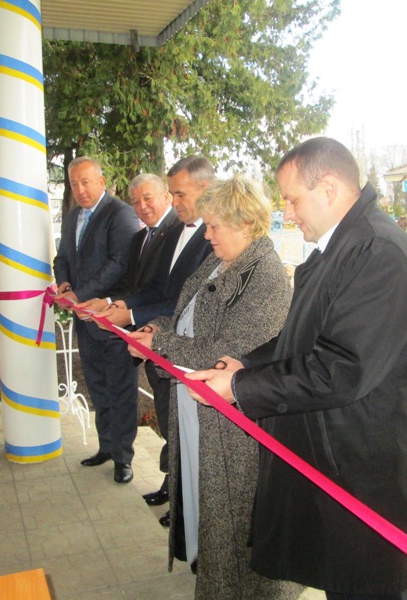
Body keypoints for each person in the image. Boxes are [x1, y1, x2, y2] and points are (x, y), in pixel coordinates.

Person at [186, 137, 407, 599]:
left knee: (369, 589)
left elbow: (340, 368)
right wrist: (247, 363)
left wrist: (241, 387)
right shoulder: (344, 246)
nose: (287, 213)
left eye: (292, 199)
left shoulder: (380, 253)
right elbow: (302, 338)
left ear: (328, 188)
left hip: (363, 475)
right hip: (337, 462)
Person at [128, 176, 297, 599]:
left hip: (232, 431)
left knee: (234, 527)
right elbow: (184, 317)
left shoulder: (266, 278)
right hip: (199, 413)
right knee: (210, 513)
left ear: (245, 223)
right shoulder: (220, 261)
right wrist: (156, 329)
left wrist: (158, 346)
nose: (207, 235)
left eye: (214, 226)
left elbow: (224, 353)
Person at [88, 158, 215, 513]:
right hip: (159, 346)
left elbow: (188, 300)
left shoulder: (216, 237)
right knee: (169, 422)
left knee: (191, 433)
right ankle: (174, 489)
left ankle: (186, 506)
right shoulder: (172, 232)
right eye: (172, 193)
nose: (174, 202)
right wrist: (120, 305)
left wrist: (130, 315)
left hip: (191, 353)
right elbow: (157, 288)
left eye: (179, 193)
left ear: (206, 189)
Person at [53, 157, 140, 483]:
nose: (80, 189)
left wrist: (81, 293)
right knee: (98, 387)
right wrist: (64, 284)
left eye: (86, 182)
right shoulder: (71, 217)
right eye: (74, 184)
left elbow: (119, 264)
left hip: (113, 318)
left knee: (121, 390)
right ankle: (106, 447)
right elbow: (62, 257)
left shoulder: (120, 213)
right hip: (84, 321)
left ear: (102, 182)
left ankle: (123, 458)